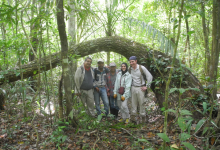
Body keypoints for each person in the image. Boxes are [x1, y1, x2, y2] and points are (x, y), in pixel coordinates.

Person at [129, 56, 153, 124]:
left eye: (133, 61)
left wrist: (147, 86)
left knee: (141, 103)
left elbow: (150, 76)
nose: (131, 63)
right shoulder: (130, 69)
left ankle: (143, 118)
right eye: (130, 62)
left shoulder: (141, 68)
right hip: (133, 87)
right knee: (133, 103)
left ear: (136, 61)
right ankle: (133, 118)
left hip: (141, 88)